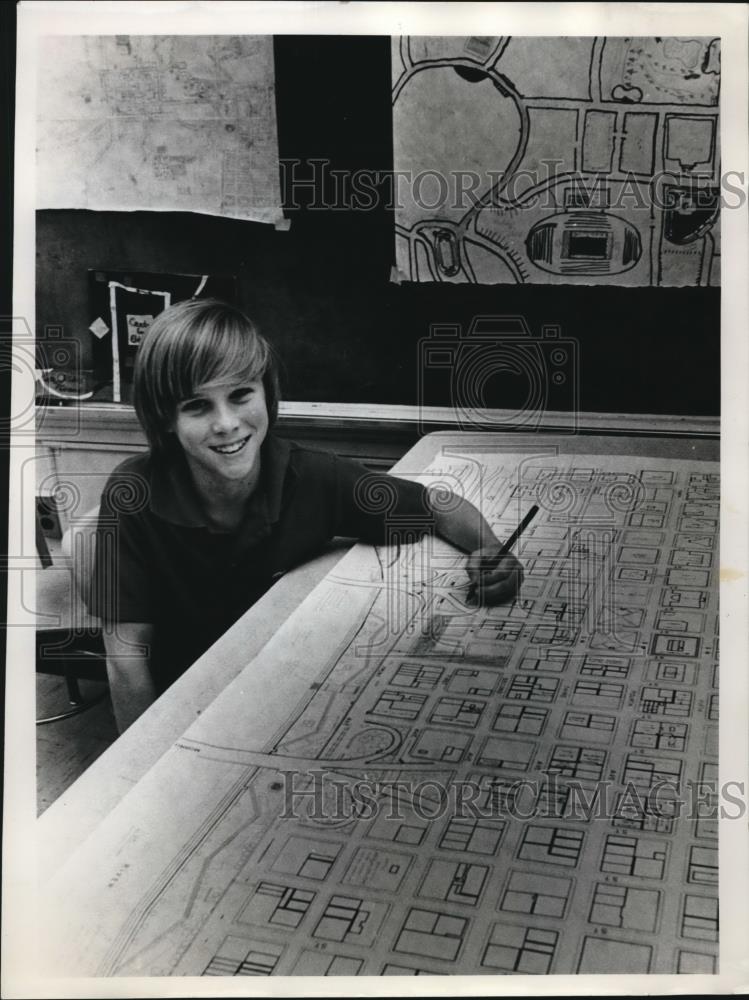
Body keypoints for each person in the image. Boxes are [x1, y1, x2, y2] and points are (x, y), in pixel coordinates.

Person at [90, 298, 523, 732]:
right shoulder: (132, 495)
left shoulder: (313, 477)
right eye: (197, 406)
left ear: (266, 392)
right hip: (183, 703)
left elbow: (437, 505)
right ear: (165, 417)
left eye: (241, 394)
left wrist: (489, 548)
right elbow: (126, 660)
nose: (226, 423)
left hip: (284, 691)